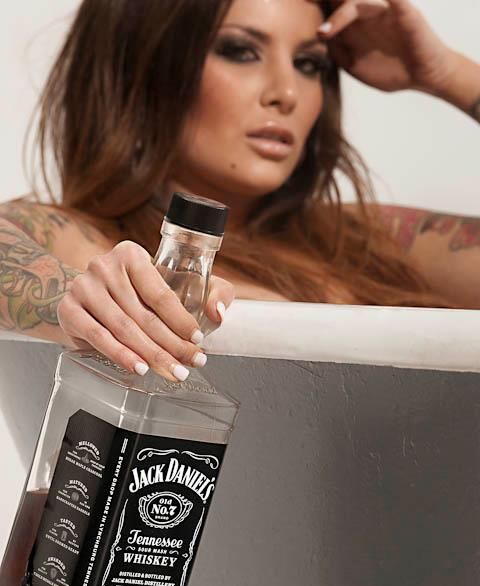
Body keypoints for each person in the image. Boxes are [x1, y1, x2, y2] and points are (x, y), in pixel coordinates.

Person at [0, 0, 479, 383]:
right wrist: (73, 299)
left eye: (309, 63)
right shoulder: (80, 239)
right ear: (142, 62)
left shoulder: (361, 237)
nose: (286, 93)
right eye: (240, 51)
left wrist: (448, 75)